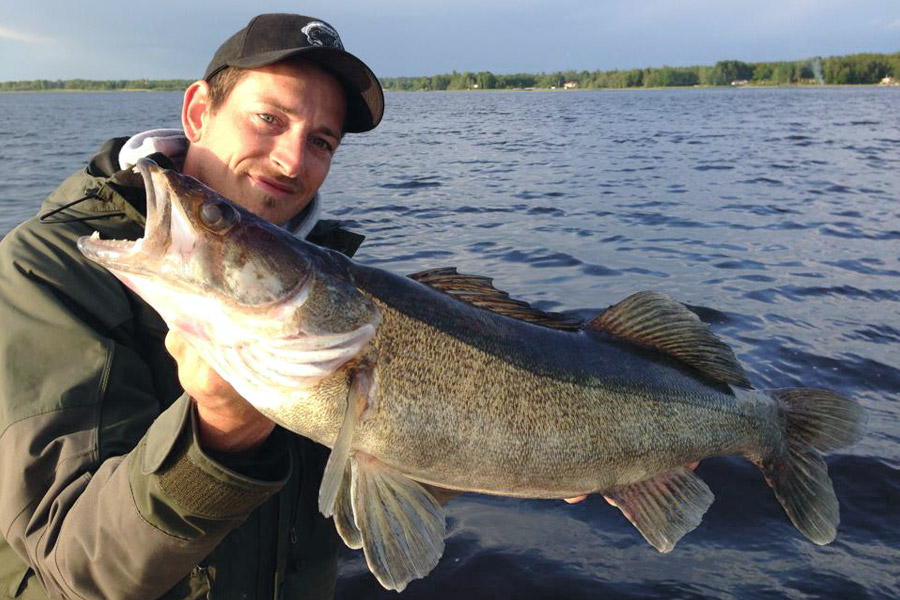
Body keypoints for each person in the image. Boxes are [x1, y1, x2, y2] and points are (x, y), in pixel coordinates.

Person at [0, 13, 385, 599]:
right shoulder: (45, 266)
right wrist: (219, 434)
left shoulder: (337, 288)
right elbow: (73, 563)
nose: (291, 160)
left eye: (321, 141)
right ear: (199, 113)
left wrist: (526, 462)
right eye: (269, 119)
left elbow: (367, 500)